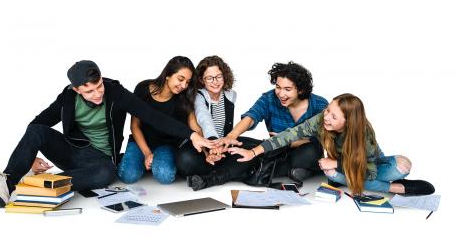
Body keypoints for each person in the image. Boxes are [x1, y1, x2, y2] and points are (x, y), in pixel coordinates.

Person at [0, 60, 215, 208]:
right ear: (76, 90)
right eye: (89, 91)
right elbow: (37, 124)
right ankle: (7, 182)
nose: (97, 94)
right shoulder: (67, 98)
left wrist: (191, 135)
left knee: (106, 173)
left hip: (99, 160)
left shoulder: (116, 92)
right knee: (36, 131)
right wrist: (30, 155)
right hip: (72, 151)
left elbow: (152, 116)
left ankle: (37, 186)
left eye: (99, 87)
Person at [228, 93, 435, 196]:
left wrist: (336, 163)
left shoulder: (364, 134)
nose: (326, 117)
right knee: (329, 173)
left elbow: (368, 171)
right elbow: (287, 135)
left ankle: (396, 187)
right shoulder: (321, 120)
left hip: (369, 165)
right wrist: (254, 152)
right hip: (342, 168)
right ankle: (383, 186)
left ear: (348, 122)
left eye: (333, 116)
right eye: (327, 110)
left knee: (403, 165)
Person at [189, 61, 328, 190]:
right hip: (272, 149)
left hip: (300, 152)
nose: (281, 93)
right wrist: (231, 136)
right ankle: (216, 178)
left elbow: (321, 140)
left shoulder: (319, 105)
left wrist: (288, 142)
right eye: (278, 87)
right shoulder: (269, 98)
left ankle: (251, 170)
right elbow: (251, 117)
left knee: (311, 150)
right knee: (237, 144)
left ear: (301, 90)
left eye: (287, 89)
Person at [117, 56, 202, 184]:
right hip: (140, 142)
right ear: (168, 74)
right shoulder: (143, 88)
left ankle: (153, 163)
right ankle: (134, 160)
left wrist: (206, 145)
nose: (184, 85)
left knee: (165, 176)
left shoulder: (184, 98)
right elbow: (135, 126)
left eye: (188, 82)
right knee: (129, 176)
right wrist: (146, 153)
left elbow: (194, 125)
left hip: (165, 145)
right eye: (180, 79)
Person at [174, 56, 251, 190]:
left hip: (223, 145)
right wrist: (212, 145)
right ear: (201, 80)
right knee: (185, 160)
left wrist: (221, 147)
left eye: (218, 76)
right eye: (209, 78)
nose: (215, 82)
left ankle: (215, 174)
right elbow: (204, 120)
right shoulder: (199, 96)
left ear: (224, 76)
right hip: (203, 147)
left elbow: (229, 133)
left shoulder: (230, 95)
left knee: (256, 147)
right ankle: (238, 172)